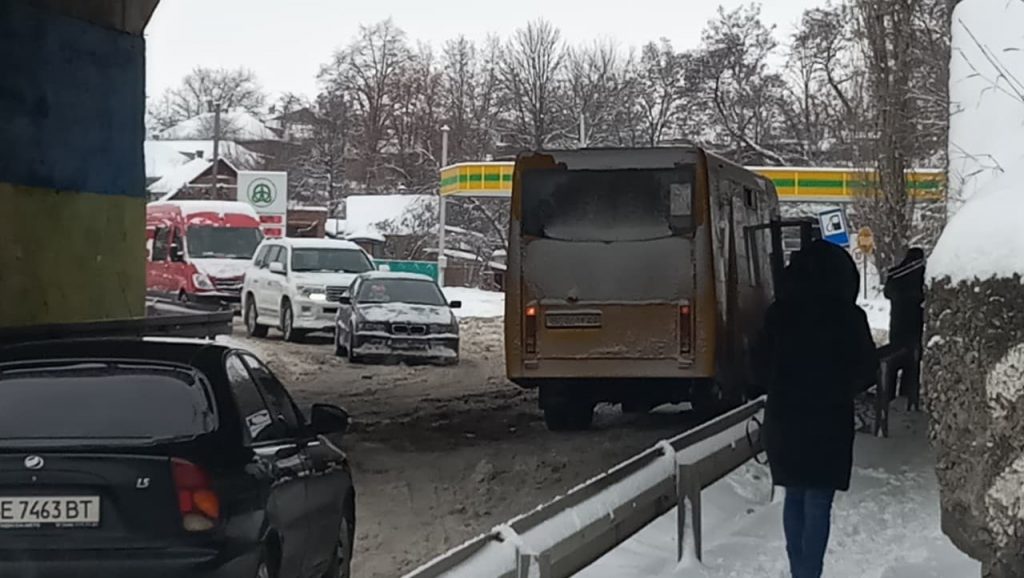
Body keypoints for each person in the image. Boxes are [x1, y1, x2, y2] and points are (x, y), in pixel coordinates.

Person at [754, 240, 879, 578]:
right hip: (828, 418)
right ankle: (810, 573)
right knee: (818, 499)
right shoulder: (849, 316)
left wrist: (781, 383)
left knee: (794, 494)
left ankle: (799, 571)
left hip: (785, 417)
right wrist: (838, 386)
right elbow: (868, 370)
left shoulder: (778, 313)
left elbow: (756, 365)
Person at [883, 248, 926, 400]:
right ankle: (907, 395)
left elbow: (887, 293)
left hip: (897, 323)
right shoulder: (922, 275)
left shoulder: (896, 273)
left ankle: (888, 394)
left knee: (893, 359)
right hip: (915, 324)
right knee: (912, 363)